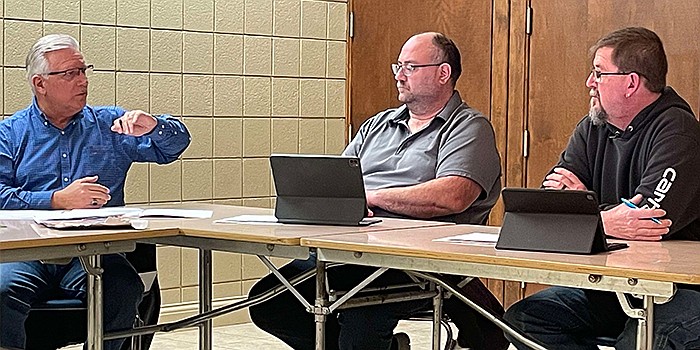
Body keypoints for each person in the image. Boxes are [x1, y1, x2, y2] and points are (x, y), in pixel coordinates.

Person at [249, 32, 507, 350]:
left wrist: (372, 196)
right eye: (398, 65)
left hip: (411, 261)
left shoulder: (468, 127)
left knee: (361, 324)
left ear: (443, 73)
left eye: (410, 67)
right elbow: (338, 186)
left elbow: (452, 195)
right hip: (349, 251)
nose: (399, 75)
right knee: (269, 302)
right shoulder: (376, 125)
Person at [504, 27, 700, 350]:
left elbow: (648, 221)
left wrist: (586, 208)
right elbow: (548, 206)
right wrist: (607, 219)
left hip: (678, 289)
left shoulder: (679, 133)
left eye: (598, 73)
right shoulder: (592, 127)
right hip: (615, 286)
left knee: (640, 341)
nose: (589, 83)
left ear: (631, 82)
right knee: (525, 320)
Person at [0, 34, 191, 349]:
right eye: (69, 74)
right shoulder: (10, 134)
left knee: (123, 288)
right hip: (29, 253)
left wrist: (155, 125)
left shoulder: (110, 125)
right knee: (3, 291)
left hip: (94, 253)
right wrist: (55, 200)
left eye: (83, 70)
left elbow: (173, 147)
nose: (82, 81)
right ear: (40, 83)